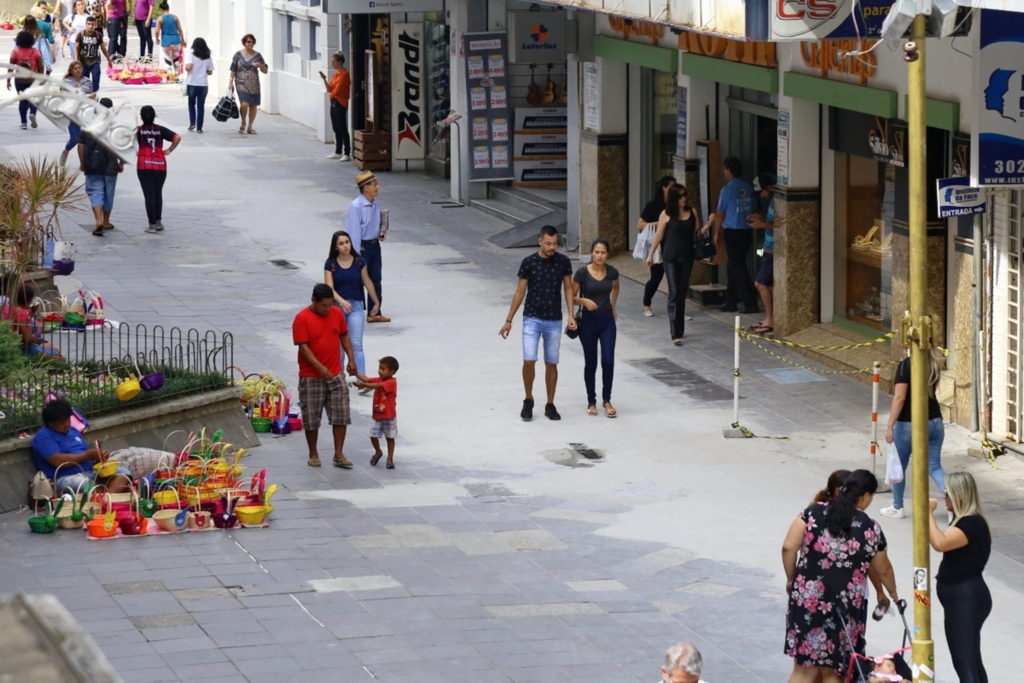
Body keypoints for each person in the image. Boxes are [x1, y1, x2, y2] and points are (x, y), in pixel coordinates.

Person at [781, 469, 900, 683]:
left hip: (807, 600)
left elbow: (789, 547)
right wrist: (892, 592)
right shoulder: (870, 528)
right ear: (865, 495)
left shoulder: (813, 512)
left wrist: (792, 579)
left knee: (804, 670)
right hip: (843, 608)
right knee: (834, 671)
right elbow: (884, 569)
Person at [499, 225, 575, 421]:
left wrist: (571, 315)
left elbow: (568, 288)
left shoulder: (563, 261)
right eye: (548, 243)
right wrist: (509, 320)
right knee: (529, 359)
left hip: (554, 319)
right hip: (532, 317)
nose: (552, 247)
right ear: (540, 241)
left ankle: (550, 404)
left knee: (552, 362)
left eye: (555, 244)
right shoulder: (529, 262)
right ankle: (528, 399)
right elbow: (520, 291)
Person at [929, 472, 992, 683]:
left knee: (964, 665)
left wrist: (927, 513)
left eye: (947, 493)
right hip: (965, 597)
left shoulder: (970, 523)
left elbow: (939, 543)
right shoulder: (970, 521)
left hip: (965, 599)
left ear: (960, 496)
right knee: (972, 662)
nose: (944, 497)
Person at [292, 283, 358, 469]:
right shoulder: (302, 318)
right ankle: (313, 453)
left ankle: (339, 453)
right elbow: (303, 347)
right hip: (311, 375)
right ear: (313, 300)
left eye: (330, 305)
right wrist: (319, 367)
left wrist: (351, 359)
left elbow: (344, 336)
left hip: (335, 373)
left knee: (341, 414)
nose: (327, 309)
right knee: (311, 416)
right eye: (323, 305)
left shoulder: (336, 313)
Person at [880, 346, 947, 519]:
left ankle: (897, 506)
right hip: (934, 421)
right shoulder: (933, 363)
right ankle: (955, 502)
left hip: (909, 423)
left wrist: (890, 425)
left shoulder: (906, 365)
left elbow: (900, 397)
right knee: (934, 466)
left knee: (898, 465)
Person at [32, 399, 131, 494]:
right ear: (51, 423)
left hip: (90, 473)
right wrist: (88, 456)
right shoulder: (43, 437)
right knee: (85, 484)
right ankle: (105, 498)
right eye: (62, 422)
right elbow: (58, 461)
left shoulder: (73, 431)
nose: (67, 424)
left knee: (123, 472)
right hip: (65, 479)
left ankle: (106, 498)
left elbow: (87, 455)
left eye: (68, 419)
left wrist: (98, 458)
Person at [702, 156, 757, 314]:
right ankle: (730, 301)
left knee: (738, 268)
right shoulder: (749, 188)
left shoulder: (726, 190)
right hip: (747, 232)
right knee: (733, 267)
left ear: (728, 171)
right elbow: (753, 208)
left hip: (733, 233)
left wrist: (716, 233)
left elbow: (720, 214)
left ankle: (750, 302)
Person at [323, 230, 381, 379]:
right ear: (335, 247)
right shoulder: (331, 264)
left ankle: (361, 379)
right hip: (337, 307)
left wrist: (376, 302)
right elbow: (329, 288)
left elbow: (367, 282)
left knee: (356, 344)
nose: (345, 246)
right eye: (341, 243)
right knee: (339, 344)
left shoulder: (359, 262)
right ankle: (338, 377)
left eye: (347, 242)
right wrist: (342, 301)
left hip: (356, 306)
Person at [572, 238, 619, 418]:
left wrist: (613, 306)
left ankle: (607, 400)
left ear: (607, 254)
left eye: (603, 252)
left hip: (606, 320)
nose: (599, 256)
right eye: (596, 252)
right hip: (588, 321)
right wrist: (583, 301)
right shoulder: (582, 273)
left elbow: (616, 287)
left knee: (608, 360)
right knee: (591, 362)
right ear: (592, 253)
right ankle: (591, 401)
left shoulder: (612, 272)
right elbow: (570, 296)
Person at [648, 184, 699, 345]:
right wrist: (650, 254)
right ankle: (675, 332)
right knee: (674, 292)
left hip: (687, 257)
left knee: (682, 292)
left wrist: (710, 224)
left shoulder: (692, 212)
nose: (683, 199)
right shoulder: (666, 214)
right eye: (679, 196)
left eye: (685, 195)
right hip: (670, 257)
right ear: (673, 198)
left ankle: (680, 328)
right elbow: (658, 235)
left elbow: (697, 233)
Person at [346, 171, 390, 323]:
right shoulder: (356, 206)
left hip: (374, 245)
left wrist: (381, 233)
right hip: (362, 247)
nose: (378, 187)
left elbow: (375, 224)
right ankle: (356, 311)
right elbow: (354, 232)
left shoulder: (375, 204)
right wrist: (355, 254)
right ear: (366, 187)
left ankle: (374, 312)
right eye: (374, 185)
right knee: (360, 280)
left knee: (376, 279)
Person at [78, 98, 123, 237]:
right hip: (110, 166)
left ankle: (98, 220)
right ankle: (106, 222)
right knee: (109, 193)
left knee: (95, 192)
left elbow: (80, 145)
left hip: (91, 165)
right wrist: (121, 163)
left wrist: (82, 162)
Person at [136, 105, 180, 233]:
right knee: (157, 193)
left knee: (148, 195)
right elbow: (177, 137)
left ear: (141, 117)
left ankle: (152, 225)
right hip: (160, 165)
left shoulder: (138, 130)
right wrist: (169, 150)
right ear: (154, 116)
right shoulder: (160, 129)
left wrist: (133, 151)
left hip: (144, 166)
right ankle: (158, 222)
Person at [353, 356, 399, 469]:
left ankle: (390, 458)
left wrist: (363, 385)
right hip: (377, 415)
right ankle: (378, 451)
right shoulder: (379, 379)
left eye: (383, 369)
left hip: (389, 416)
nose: (380, 371)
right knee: (373, 435)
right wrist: (355, 373)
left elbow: (376, 386)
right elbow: (367, 379)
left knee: (390, 438)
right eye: (379, 368)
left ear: (392, 371)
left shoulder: (391, 382)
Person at [640, 176, 675, 317]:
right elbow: (640, 224)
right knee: (656, 278)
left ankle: (677, 309)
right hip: (658, 247)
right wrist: (659, 223)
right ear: (664, 188)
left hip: (674, 246)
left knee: (676, 281)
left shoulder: (677, 205)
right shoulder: (653, 205)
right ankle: (646, 305)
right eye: (671, 186)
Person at [749, 174, 778, 334]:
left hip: (774, 248)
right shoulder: (773, 200)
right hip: (768, 246)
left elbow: (783, 224)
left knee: (760, 284)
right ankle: (771, 317)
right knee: (769, 284)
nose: (762, 195)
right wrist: (761, 218)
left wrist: (762, 225)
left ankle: (771, 320)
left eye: (762, 191)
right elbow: (773, 220)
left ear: (769, 187)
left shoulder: (779, 199)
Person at [228, 34, 267, 135]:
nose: (251, 43)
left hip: (254, 83)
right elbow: (233, 69)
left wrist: (260, 65)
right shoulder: (238, 55)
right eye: (249, 42)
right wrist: (230, 81)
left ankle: (250, 126)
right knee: (244, 104)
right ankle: (243, 121)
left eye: (252, 42)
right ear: (244, 43)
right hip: (241, 82)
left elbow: (265, 70)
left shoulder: (258, 56)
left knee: (253, 105)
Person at [6, 31, 44, 131]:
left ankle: (24, 123)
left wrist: (8, 80)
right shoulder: (35, 51)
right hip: (33, 79)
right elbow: (40, 67)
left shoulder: (15, 52)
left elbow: (10, 67)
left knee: (22, 101)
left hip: (20, 79)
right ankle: (32, 113)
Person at [59, 61, 93, 166]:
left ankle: (83, 162)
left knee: (85, 139)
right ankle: (66, 151)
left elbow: (91, 96)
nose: (78, 70)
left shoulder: (87, 81)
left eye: (79, 68)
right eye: (75, 68)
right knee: (75, 138)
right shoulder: (66, 82)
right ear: (71, 71)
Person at [321, 51, 352, 161]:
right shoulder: (336, 74)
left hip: (340, 102)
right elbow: (330, 88)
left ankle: (347, 152)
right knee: (336, 127)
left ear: (340, 62)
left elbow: (337, 90)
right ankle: (338, 151)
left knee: (342, 127)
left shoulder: (344, 75)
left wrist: (331, 95)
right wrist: (324, 79)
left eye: (334, 62)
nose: (332, 64)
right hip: (334, 101)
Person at [183, 37, 214, 133]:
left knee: (191, 104)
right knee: (201, 106)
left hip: (192, 83)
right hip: (203, 84)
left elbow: (189, 67)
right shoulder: (208, 57)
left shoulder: (191, 55)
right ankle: (199, 127)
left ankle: (192, 123)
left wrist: (186, 67)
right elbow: (210, 72)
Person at [75, 16, 111, 93]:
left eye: (92, 24)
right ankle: (86, 96)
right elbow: (76, 48)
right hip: (83, 62)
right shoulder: (81, 34)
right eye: (89, 24)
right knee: (85, 82)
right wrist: (76, 60)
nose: (91, 26)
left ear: (95, 25)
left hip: (95, 61)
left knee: (96, 79)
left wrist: (109, 59)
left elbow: (103, 48)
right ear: (86, 24)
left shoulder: (98, 35)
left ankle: (94, 94)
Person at [153, 2, 184, 80]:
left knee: (168, 60)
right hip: (176, 41)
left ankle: (170, 78)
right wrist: (183, 40)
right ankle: (176, 76)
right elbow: (180, 30)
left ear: (161, 9)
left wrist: (157, 39)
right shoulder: (175, 17)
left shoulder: (160, 19)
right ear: (168, 8)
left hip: (166, 42)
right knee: (176, 59)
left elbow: (157, 31)